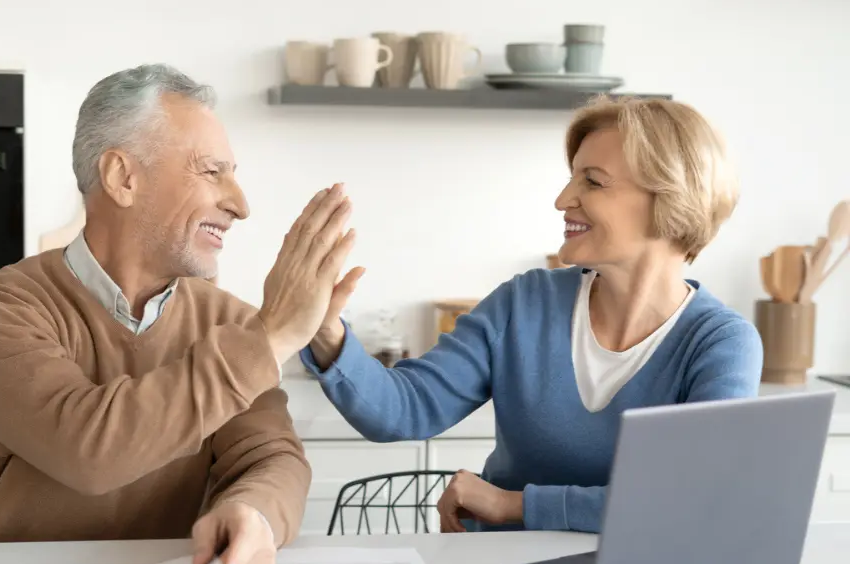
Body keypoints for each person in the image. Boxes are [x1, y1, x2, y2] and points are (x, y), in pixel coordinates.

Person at [0, 63, 356, 564]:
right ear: (123, 177)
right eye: (212, 171)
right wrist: (273, 337)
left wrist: (254, 511)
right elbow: (89, 450)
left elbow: (270, 456)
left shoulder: (231, 322)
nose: (240, 204)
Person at [299, 95, 764, 534]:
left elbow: (692, 498)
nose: (563, 199)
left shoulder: (720, 344)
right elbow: (404, 409)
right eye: (572, 177)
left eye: (593, 181)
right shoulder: (525, 304)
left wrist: (512, 504)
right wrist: (325, 332)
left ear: (670, 199)